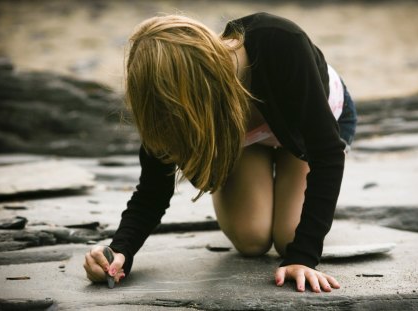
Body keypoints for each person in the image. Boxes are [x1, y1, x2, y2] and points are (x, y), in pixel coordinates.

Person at [83, 12, 357, 293]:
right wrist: (120, 252)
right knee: (252, 240)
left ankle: (282, 179)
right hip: (247, 143)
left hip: (309, 135)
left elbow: (327, 154)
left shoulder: (281, 41)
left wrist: (303, 257)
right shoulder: (168, 101)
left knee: (290, 238)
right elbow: (153, 189)